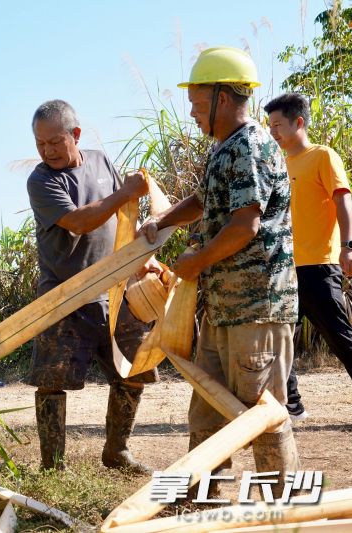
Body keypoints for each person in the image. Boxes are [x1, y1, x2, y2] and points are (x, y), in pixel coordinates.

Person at [140, 47, 300, 498]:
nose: (191, 112)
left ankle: (283, 510)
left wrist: (196, 261)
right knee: (208, 410)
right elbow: (204, 202)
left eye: (196, 102)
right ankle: (199, 501)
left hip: (257, 307)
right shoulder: (223, 150)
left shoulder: (250, 145)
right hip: (224, 307)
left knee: (262, 414)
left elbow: (245, 224)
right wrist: (162, 220)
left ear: (223, 98)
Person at [27, 99, 159, 474]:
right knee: (52, 383)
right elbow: (79, 222)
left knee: (134, 371)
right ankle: (52, 467)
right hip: (63, 296)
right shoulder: (40, 180)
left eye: (55, 142)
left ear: (76, 135)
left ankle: (116, 451)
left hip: (114, 292)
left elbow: (122, 217)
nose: (47, 151)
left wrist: (140, 255)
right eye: (40, 144)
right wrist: (125, 192)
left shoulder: (100, 161)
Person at [265, 92, 352, 422]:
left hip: (318, 265)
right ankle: (292, 404)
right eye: (269, 126)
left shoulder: (322, 157)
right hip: (284, 269)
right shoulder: (279, 165)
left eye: (278, 125)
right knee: (278, 338)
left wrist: (348, 245)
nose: (273, 132)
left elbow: (343, 199)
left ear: (298, 122)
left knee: (341, 338)